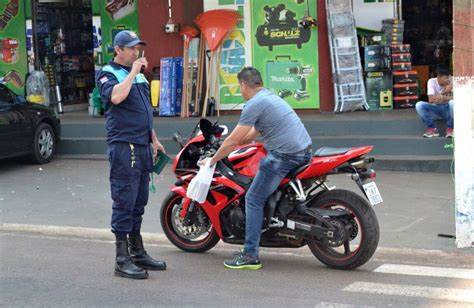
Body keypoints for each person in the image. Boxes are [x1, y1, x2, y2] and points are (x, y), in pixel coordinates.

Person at [200, 67, 312, 270]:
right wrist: (229, 143)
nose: (240, 91)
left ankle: (250, 254)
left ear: (243, 84)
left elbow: (235, 139)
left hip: (285, 156)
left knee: (252, 198)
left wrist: (212, 159)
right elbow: (251, 134)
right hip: (303, 151)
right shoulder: (269, 97)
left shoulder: (253, 104)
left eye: (239, 86)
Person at [96, 30, 167, 279]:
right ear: (119, 49)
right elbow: (116, 97)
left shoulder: (139, 78)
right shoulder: (108, 73)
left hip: (143, 145)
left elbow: (144, 112)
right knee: (124, 201)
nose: (136, 52)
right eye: (131, 48)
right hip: (124, 146)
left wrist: (155, 140)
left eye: (138, 47)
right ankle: (121, 259)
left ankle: (137, 252)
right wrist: (134, 72)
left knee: (139, 202)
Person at [415, 66, 454, 138]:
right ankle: (432, 129)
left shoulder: (453, 81)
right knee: (419, 105)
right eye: (446, 78)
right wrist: (444, 92)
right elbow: (431, 100)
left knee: (452, 103)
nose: (448, 80)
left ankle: (450, 129)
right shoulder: (431, 81)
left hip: (449, 110)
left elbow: (460, 99)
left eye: (449, 78)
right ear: (439, 77)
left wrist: (443, 98)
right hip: (436, 109)